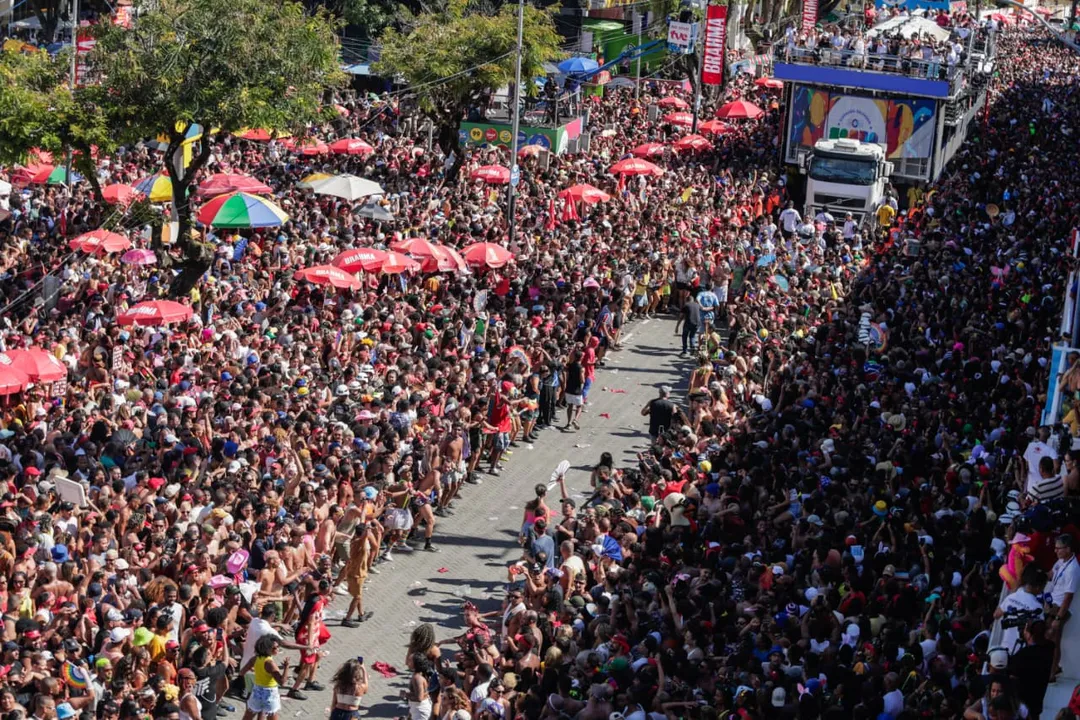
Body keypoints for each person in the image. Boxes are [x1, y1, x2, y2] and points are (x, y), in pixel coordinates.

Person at [1046, 533, 1079, 681]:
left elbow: (1068, 596)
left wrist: (1059, 617)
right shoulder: (1060, 561)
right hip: (1051, 604)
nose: (1055, 551)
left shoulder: (1073, 569)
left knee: (1054, 640)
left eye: (1059, 548)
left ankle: (1052, 672)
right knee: (1049, 638)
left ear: (1068, 549)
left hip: (1059, 608)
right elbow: (1051, 574)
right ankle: (1053, 668)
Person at [238, 635, 289, 720]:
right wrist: (286, 668)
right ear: (267, 649)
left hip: (256, 691)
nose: (277, 649)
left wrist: (256, 670)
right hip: (270, 694)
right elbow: (282, 682)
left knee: (247, 717)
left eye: (278, 647)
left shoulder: (255, 658)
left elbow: (242, 672)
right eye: (274, 648)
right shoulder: (270, 663)